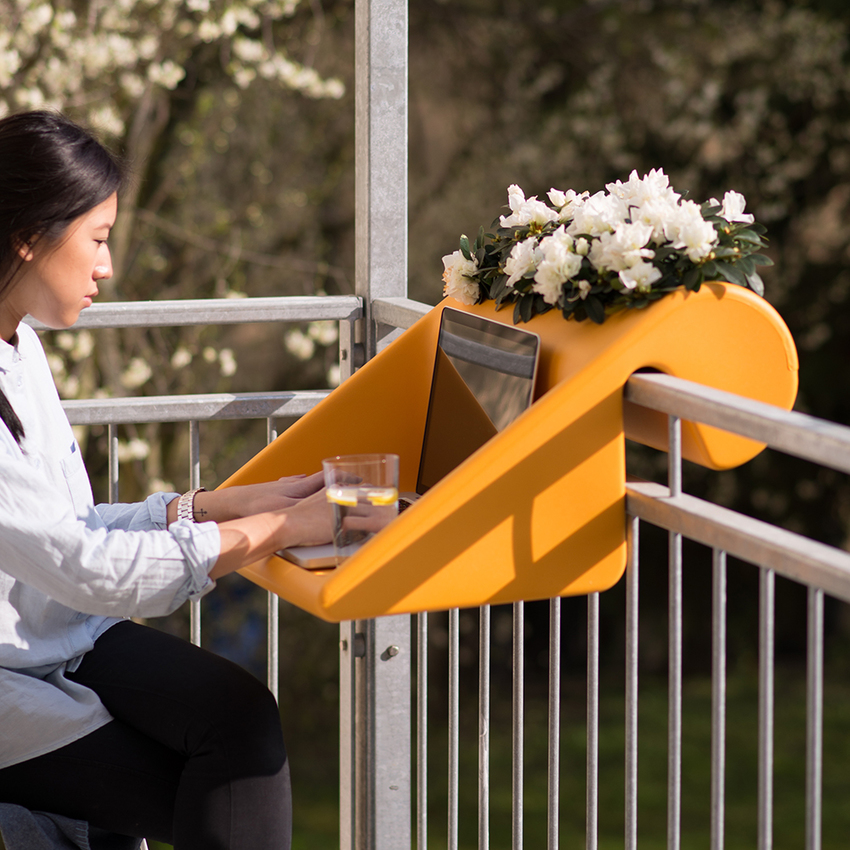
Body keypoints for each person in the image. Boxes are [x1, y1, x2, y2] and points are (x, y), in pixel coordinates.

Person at [0, 110, 334, 850]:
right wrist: (277, 529)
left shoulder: (17, 339)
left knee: (241, 715)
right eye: (98, 237)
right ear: (28, 236)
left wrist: (206, 505)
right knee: (186, 787)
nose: (106, 267)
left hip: (56, 634)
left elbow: (66, 527)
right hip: (12, 676)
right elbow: (85, 568)